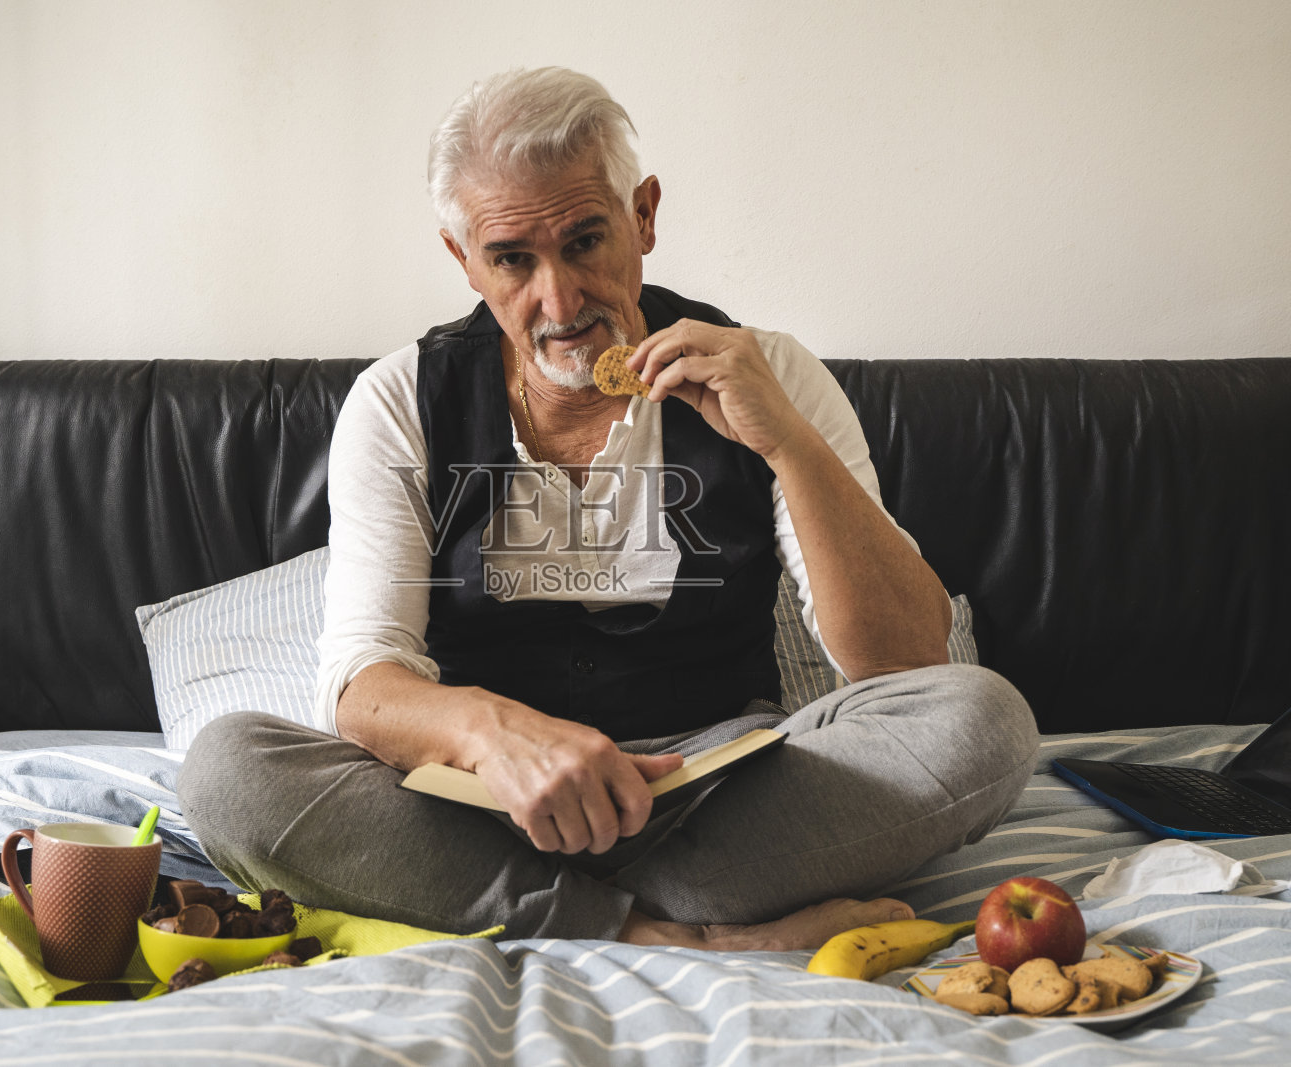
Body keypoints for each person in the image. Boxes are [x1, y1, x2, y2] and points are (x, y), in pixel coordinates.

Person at [177, 67, 1038, 950]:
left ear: (645, 216)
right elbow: (365, 686)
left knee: (986, 717)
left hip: (723, 801)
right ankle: (671, 931)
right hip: (484, 813)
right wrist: (500, 736)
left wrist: (785, 443)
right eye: (512, 259)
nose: (560, 302)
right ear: (462, 256)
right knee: (228, 773)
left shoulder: (767, 372)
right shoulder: (401, 400)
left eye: (586, 240)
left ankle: (574, 905)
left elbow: (906, 663)